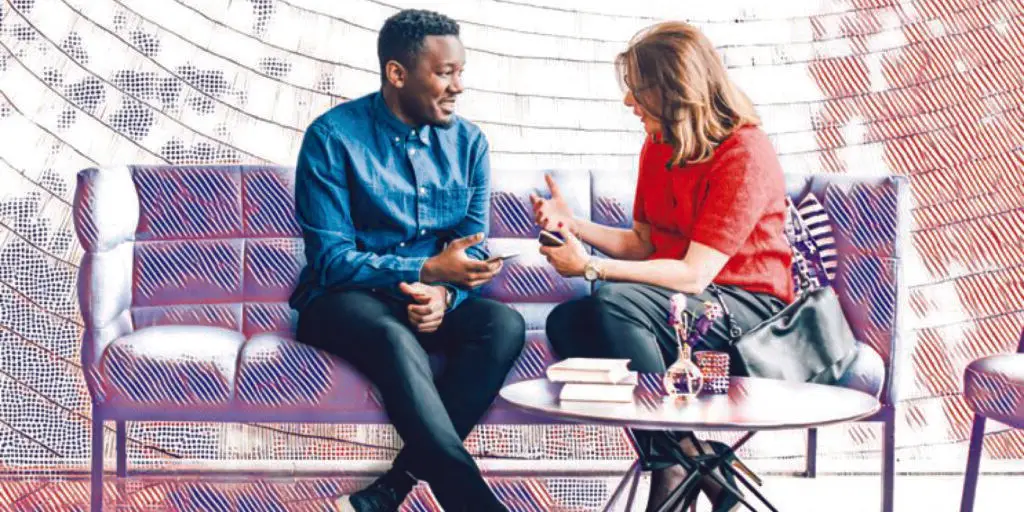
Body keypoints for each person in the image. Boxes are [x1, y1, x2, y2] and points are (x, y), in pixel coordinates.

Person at [534, 21, 794, 512]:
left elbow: (695, 274)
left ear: (676, 90)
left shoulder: (744, 152)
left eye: (639, 89)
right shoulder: (658, 145)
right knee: (568, 321)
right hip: (683, 301)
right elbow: (642, 245)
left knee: (611, 301)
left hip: (748, 309)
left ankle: (671, 466)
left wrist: (590, 268)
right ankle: (690, 456)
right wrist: (575, 225)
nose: (629, 101)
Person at [290, 9, 524, 512]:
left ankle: (390, 490)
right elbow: (331, 260)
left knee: (503, 325)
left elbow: (470, 245)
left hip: (425, 300)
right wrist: (426, 270)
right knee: (393, 336)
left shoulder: (470, 144)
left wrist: (444, 293)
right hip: (343, 300)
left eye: (460, 71)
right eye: (445, 73)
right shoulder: (332, 138)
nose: (458, 86)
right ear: (397, 73)